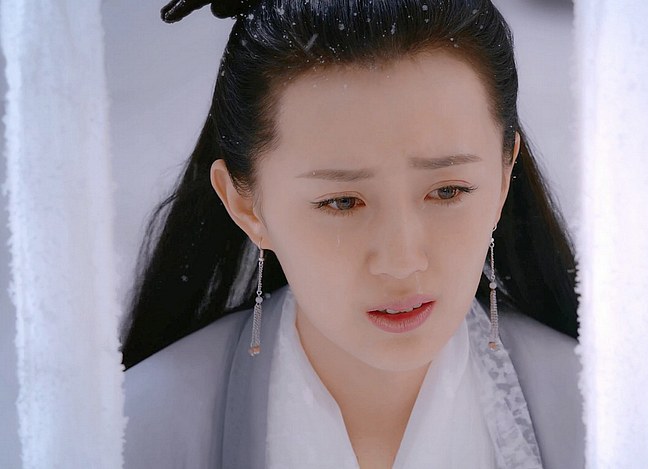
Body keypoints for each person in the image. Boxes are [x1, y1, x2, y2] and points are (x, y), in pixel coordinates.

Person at [120, 0, 586, 468]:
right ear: (246, 205)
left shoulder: (599, 419)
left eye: (448, 191)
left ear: (504, 177)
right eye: (342, 202)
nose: (402, 261)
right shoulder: (133, 434)